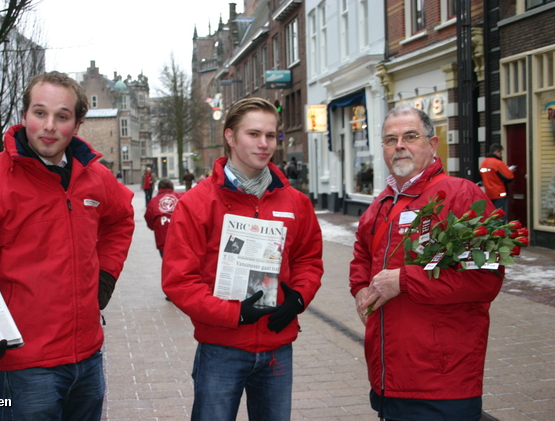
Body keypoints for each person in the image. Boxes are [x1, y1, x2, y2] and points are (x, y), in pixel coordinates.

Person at [0, 71, 135, 421]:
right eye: (39, 113)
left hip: (87, 357)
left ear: (77, 123)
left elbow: (121, 219)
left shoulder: (95, 177)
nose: (49, 126)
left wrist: (105, 274)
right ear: (25, 116)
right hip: (26, 365)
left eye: (62, 116)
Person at [162, 97, 323, 421]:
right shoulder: (197, 203)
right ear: (230, 137)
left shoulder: (296, 203)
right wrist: (233, 314)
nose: (264, 144)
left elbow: (309, 259)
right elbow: (179, 281)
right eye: (253, 134)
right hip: (220, 349)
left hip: (277, 346)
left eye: (270, 135)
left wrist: (299, 297)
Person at [349, 105, 503, 421]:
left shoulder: (463, 195)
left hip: (442, 381)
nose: (399, 146)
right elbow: (362, 255)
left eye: (410, 136)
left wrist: (403, 281)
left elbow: (485, 278)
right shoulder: (381, 203)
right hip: (387, 376)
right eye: (390, 139)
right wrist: (360, 289)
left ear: (432, 145)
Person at [144, 178, 182, 257]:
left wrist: (156, 227)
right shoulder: (181, 197)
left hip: (163, 239)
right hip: (181, 237)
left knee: (167, 263)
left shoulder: (153, 201)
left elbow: (149, 219)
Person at [480, 143, 515, 222]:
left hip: (489, 193)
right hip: (500, 193)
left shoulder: (483, 163)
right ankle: (500, 233)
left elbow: (483, 177)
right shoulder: (498, 163)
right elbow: (509, 177)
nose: (501, 155)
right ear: (496, 152)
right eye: (500, 153)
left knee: (492, 217)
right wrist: (510, 171)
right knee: (501, 217)